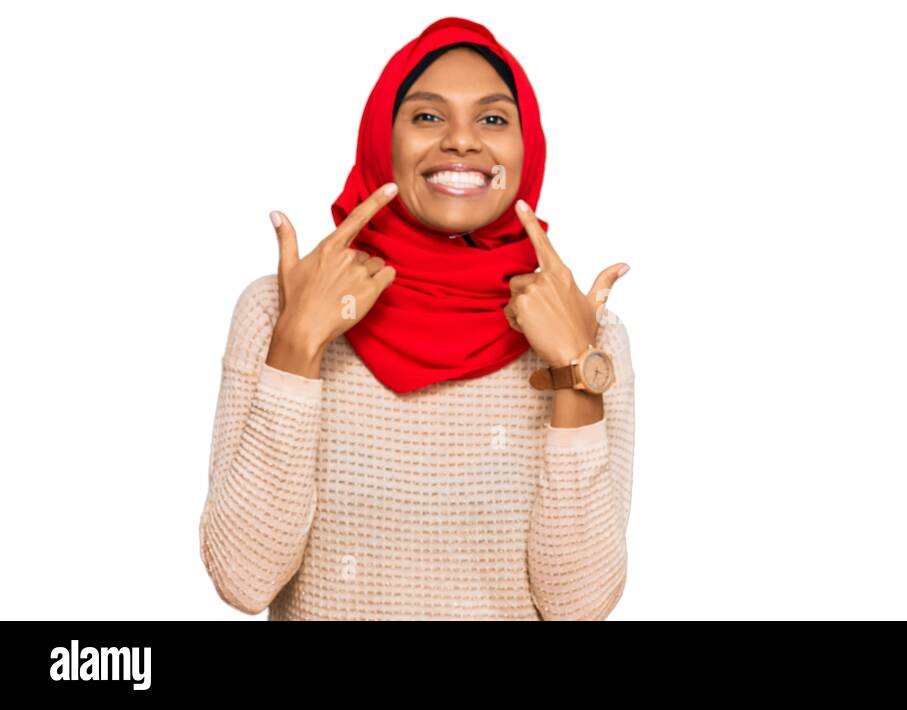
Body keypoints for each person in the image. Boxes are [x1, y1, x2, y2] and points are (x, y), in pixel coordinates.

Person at [198, 17, 635, 620]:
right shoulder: (277, 309)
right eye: (428, 116)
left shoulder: (589, 336)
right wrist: (297, 345)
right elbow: (243, 580)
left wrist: (572, 375)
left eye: (493, 118)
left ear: (527, 145)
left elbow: (579, 606)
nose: (461, 140)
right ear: (384, 138)